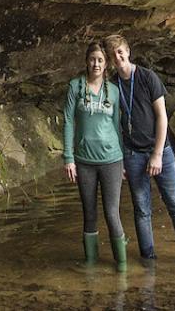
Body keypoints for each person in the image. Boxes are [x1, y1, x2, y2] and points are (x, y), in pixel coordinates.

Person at [103, 34, 175, 263]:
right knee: (142, 209)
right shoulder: (113, 86)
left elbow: (162, 117)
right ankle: (148, 260)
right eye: (112, 55)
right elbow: (112, 124)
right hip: (132, 154)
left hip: (161, 152)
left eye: (120, 51)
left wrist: (156, 155)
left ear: (128, 51)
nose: (118, 57)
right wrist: (119, 160)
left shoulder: (147, 77)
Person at [62, 42, 127, 270]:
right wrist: (68, 158)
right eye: (92, 59)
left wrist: (124, 164)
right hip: (84, 161)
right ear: (86, 61)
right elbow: (69, 121)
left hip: (112, 160)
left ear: (106, 63)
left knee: (112, 213)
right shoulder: (75, 87)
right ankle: (91, 263)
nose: (96, 64)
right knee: (89, 213)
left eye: (100, 60)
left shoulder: (115, 91)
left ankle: (122, 265)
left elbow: (118, 127)